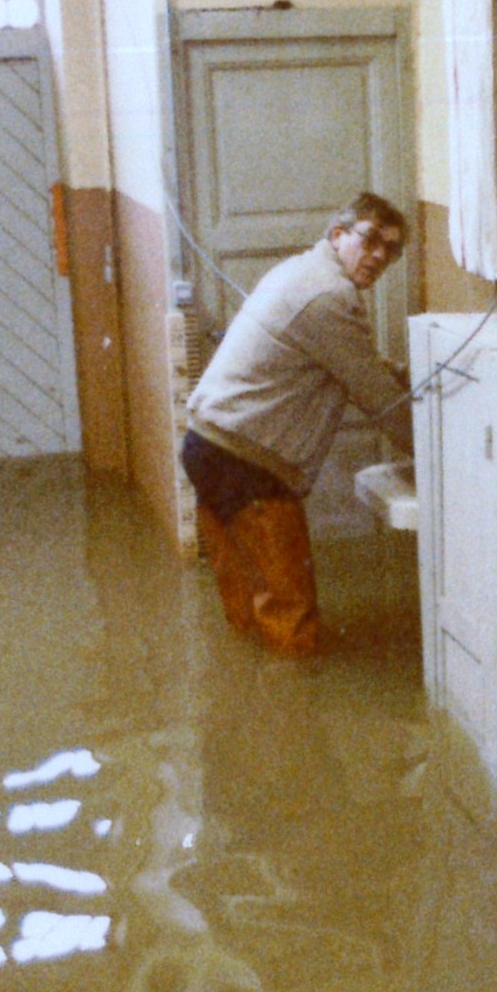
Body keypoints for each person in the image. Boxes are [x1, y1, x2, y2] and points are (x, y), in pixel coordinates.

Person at [181, 193, 413, 656]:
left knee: (247, 610)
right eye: (370, 240)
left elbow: (338, 357)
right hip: (249, 469)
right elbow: (380, 401)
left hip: (206, 448)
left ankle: (243, 715)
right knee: (292, 619)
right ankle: (291, 715)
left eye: (391, 249)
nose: (379, 256)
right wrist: (443, 454)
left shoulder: (300, 271)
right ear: (338, 234)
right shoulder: (331, 295)